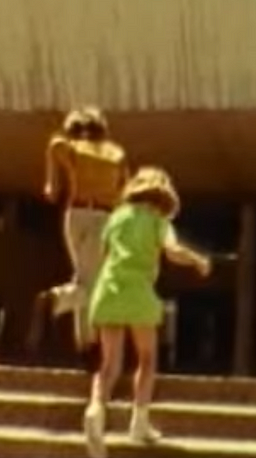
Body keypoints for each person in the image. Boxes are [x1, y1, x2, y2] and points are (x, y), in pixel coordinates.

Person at [83, 167, 211, 458]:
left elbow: (104, 257)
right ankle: (139, 423)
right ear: (163, 194)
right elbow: (172, 250)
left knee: (109, 363)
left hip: (108, 289)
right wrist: (197, 260)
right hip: (138, 291)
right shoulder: (159, 221)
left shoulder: (116, 218)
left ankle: (95, 410)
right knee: (147, 358)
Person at [41, 106, 129, 355]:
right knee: (91, 281)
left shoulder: (72, 148)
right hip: (103, 214)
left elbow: (54, 144)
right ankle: (57, 299)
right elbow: (126, 191)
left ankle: (86, 346)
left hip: (74, 213)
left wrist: (51, 180)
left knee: (83, 277)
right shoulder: (115, 152)